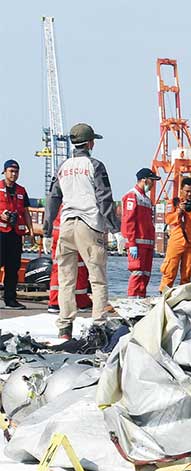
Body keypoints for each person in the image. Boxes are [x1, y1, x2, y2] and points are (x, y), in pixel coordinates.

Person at [44, 123, 121, 339]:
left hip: (66, 226)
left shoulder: (63, 167)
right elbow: (104, 198)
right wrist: (115, 229)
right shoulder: (95, 165)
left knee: (66, 279)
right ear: (90, 143)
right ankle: (98, 326)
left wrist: (48, 232)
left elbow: (52, 199)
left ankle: (64, 328)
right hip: (89, 225)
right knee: (97, 278)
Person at [121, 168, 160, 297]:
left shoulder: (147, 200)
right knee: (137, 273)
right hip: (137, 243)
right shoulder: (132, 196)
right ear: (144, 179)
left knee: (145, 274)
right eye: (152, 180)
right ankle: (132, 300)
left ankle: (141, 298)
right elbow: (129, 221)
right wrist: (131, 243)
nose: (153, 184)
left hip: (147, 244)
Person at [46, 206, 92, 313]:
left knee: (58, 267)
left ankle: (55, 302)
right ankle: (81, 301)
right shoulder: (79, 198)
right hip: (75, 230)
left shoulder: (58, 201)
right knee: (80, 267)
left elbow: (49, 213)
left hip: (58, 232)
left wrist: (46, 233)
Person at [0, 160, 32, 309]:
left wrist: (30, 230)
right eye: (11, 171)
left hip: (15, 235)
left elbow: (26, 212)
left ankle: (10, 299)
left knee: (13, 268)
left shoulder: (21, 191)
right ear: (4, 171)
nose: (14, 174)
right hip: (1, 233)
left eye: (16, 171)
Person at [159, 177, 191, 291]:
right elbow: (168, 219)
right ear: (181, 190)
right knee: (169, 270)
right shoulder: (173, 203)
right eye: (187, 191)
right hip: (177, 241)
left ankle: (184, 295)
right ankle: (163, 293)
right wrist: (179, 211)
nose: (189, 194)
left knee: (188, 271)